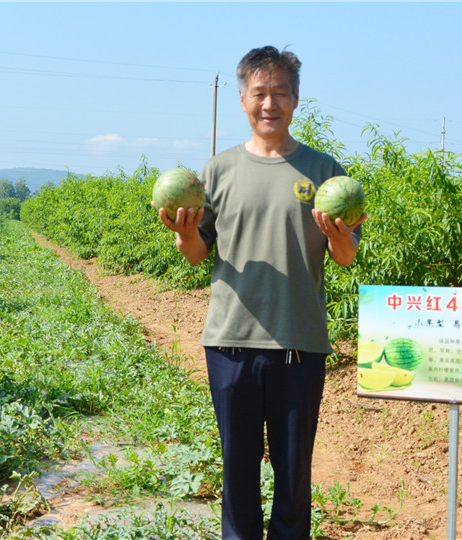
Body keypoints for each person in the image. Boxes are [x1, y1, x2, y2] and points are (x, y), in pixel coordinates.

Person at [154, 45, 366, 540]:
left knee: (294, 476)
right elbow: (195, 253)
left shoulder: (323, 170)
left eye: (279, 93)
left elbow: (346, 256)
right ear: (244, 100)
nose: (269, 103)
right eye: (259, 93)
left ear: (295, 100)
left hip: (300, 343)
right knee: (238, 473)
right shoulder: (217, 172)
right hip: (230, 340)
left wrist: (338, 236)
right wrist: (183, 231)